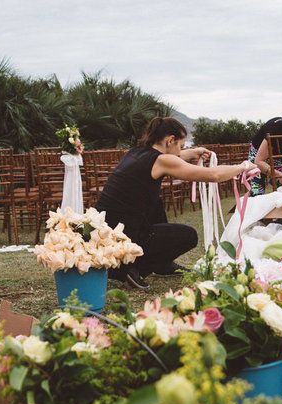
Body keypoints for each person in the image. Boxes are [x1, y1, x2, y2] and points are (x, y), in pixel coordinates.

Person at [97, 117, 256, 289]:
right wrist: (243, 166)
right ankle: (129, 267)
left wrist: (194, 152)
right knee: (188, 236)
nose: (181, 150)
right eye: (180, 145)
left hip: (107, 228)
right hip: (125, 235)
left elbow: (174, 157)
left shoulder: (136, 152)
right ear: (170, 140)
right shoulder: (161, 161)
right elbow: (213, 175)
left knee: (156, 202)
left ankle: (162, 265)